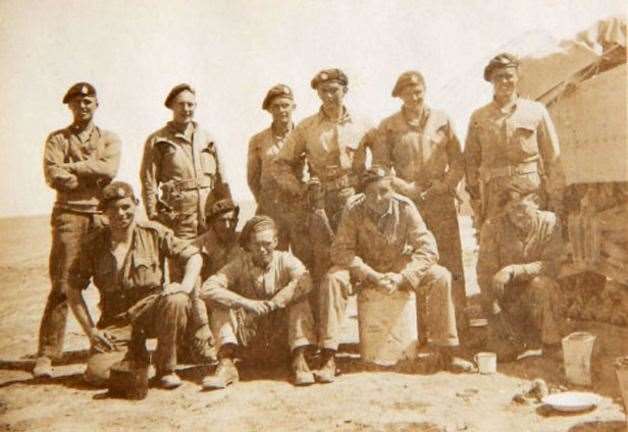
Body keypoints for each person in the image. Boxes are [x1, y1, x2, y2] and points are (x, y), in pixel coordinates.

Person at [318, 168, 473, 383]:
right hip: (365, 268)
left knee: (441, 276)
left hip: (398, 266)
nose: (378, 198)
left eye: (384, 191)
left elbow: (428, 249)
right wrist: (369, 274)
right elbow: (340, 250)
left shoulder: (406, 207)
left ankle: (447, 352)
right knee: (333, 279)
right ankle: (328, 356)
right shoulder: (353, 208)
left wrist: (403, 276)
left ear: (393, 189)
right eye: (372, 193)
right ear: (363, 193)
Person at [65, 182, 203, 389]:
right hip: (116, 321)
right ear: (104, 212)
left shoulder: (153, 233)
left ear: (136, 205)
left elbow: (194, 256)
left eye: (126, 207)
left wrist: (185, 285)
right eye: (113, 209)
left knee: (177, 300)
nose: (120, 213)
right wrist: (91, 331)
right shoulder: (93, 245)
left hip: (152, 312)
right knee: (98, 376)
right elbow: (73, 289)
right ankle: (136, 356)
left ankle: (166, 369)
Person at [372, 70, 467, 342]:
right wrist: (406, 188)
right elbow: (380, 167)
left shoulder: (442, 120)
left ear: (425, 90)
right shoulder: (389, 126)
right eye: (409, 92)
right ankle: (419, 332)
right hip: (408, 204)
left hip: (440, 201)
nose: (415, 96)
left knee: (450, 262)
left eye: (419, 90)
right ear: (399, 95)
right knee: (415, 262)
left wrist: (445, 185)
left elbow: (459, 161)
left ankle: (457, 330)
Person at [35, 82, 121, 378]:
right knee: (62, 284)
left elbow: (109, 170)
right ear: (69, 106)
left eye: (88, 102)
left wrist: (73, 167)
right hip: (69, 216)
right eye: (77, 102)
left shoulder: (109, 138)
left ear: (97, 105)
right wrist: (87, 170)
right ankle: (47, 355)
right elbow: (54, 175)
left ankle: (106, 341)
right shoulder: (57, 139)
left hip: (100, 216)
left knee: (109, 281)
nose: (83, 107)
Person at [274, 68, 376, 313]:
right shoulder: (307, 128)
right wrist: (299, 189)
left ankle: (371, 332)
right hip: (322, 205)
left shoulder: (365, 124)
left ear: (345, 91)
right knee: (323, 264)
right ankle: (324, 337)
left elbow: (382, 159)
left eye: (334, 91)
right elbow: (280, 164)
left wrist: (374, 188)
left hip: (357, 199)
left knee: (365, 260)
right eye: (323, 92)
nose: (329, 96)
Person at [140, 83, 230, 353]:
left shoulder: (208, 138)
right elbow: (147, 182)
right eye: (181, 104)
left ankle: (216, 335)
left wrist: (227, 210)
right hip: (180, 218)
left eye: (191, 104)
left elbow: (222, 180)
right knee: (186, 277)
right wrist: (155, 219)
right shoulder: (158, 140)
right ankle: (192, 338)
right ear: (171, 107)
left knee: (214, 274)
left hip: (209, 216)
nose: (187, 109)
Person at [200, 216, 317, 389]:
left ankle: (299, 361)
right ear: (248, 245)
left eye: (267, 243)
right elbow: (207, 288)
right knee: (220, 304)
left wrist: (276, 302)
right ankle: (226, 364)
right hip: (251, 340)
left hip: (283, 341)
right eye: (256, 244)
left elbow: (305, 281)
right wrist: (246, 303)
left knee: (299, 300)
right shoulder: (239, 264)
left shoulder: (285, 260)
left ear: (276, 241)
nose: (262, 250)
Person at [464, 53, 564, 228]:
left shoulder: (536, 111)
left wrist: (555, 193)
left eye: (509, 76)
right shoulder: (479, 117)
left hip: (531, 191)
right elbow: (471, 160)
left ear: (518, 77)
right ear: (491, 81)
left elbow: (552, 156)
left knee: (534, 241)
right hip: (495, 193)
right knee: (496, 244)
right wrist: (475, 198)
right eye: (498, 77)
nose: (504, 81)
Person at [477, 179, 564, 360]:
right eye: (511, 210)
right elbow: (485, 275)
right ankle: (514, 336)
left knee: (544, 284)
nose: (517, 215)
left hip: (537, 297)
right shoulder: (492, 227)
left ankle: (551, 343)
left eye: (522, 208)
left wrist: (514, 270)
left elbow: (552, 264)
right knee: (504, 356)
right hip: (506, 301)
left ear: (536, 203)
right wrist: (493, 312)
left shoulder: (550, 222)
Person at [247, 84, 307, 255]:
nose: (282, 110)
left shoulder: (304, 135)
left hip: (299, 207)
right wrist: (266, 200)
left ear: (293, 107)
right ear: (269, 110)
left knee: (303, 256)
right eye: (276, 106)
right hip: (271, 207)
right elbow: (252, 178)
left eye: (285, 105)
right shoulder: (258, 140)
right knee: (271, 256)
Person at [193, 198, 242, 281]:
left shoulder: (243, 240)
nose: (227, 226)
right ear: (213, 222)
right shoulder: (199, 245)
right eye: (222, 220)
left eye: (232, 220)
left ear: (237, 222)